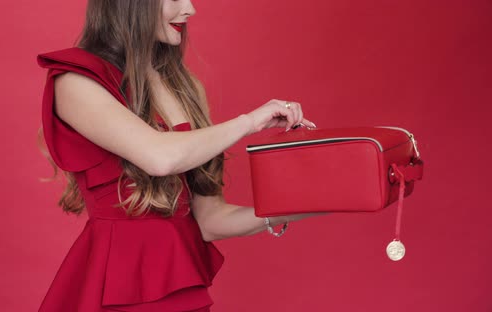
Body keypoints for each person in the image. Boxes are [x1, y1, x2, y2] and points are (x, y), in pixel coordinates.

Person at [36, 0, 322, 311]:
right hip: (116, 283)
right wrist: (250, 122)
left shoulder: (184, 87)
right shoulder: (77, 80)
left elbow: (211, 219)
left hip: (178, 285)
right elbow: (159, 157)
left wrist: (322, 201)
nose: (190, 9)